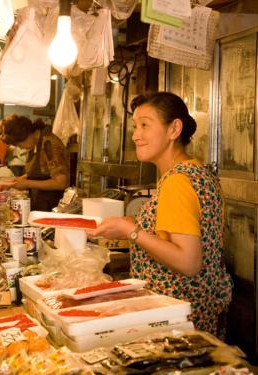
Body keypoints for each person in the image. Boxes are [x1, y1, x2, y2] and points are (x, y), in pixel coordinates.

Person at [88, 92, 232, 337]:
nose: (135, 135)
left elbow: (188, 262)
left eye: (145, 125)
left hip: (177, 321)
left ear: (174, 129)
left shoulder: (178, 181)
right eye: (135, 126)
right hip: (191, 313)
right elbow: (176, 229)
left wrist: (131, 232)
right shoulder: (196, 171)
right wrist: (132, 222)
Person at [0, 114, 70, 211]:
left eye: (20, 144)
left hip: (53, 206)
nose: (21, 148)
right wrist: (12, 183)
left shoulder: (49, 143)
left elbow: (61, 183)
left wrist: (27, 184)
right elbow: (37, 172)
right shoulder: (35, 143)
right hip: (40, 204)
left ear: (29, 133)